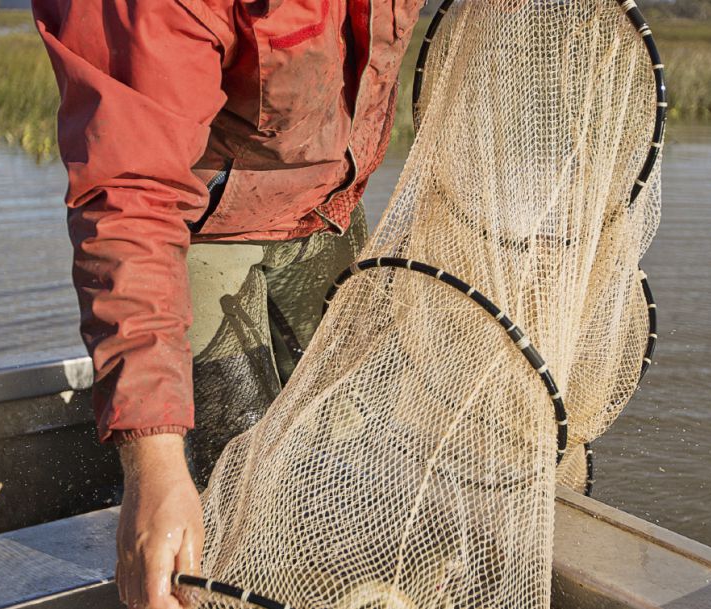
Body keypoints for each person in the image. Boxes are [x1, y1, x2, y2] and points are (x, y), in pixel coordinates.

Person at [32, 0, 421, 607]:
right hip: (203, 228)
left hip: (325, 209)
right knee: (230, 491)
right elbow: (133, 200)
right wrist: (155, 464)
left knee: (348, 456)